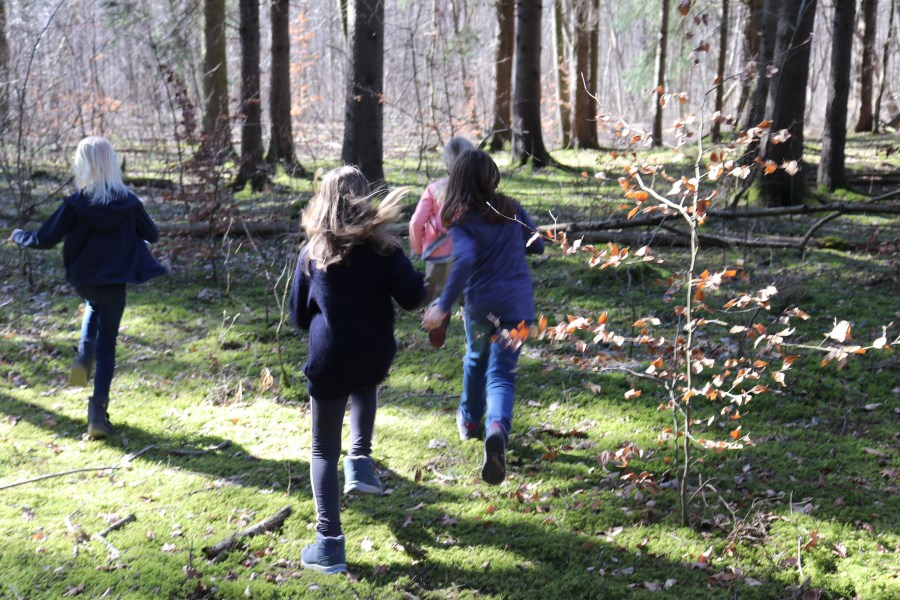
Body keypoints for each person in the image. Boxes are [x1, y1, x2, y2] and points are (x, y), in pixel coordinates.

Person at [289, 166, 426, 574]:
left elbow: (298, 316)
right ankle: (361, 461)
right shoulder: (385, 250)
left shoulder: (311, 253)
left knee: (321, 449)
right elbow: (413, 297)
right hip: (373, 353)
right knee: (366, 381)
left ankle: (329, 544)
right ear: (364, 200)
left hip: (329, 357)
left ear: (323, 201)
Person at [8, 136, 167, 439]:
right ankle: (97, 414)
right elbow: (152, 233)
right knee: (107, 346)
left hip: (86, 280)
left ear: (83, 165)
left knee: (92, 307)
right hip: (114, 282)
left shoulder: (75, 204)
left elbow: (45, 238)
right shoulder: (129, 203)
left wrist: (20, 236)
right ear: (112, 163)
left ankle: (82, 359)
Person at [422, 150, 544, 485]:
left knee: (476, 360)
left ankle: (472, 420)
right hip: (518, 310)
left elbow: (464, 261)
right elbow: (539, 245)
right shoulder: (512, 209)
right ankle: (496, 428)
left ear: (458, 182)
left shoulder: (461, 221)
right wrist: (518, 242)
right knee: (502, 373)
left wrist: (443, 306)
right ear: (493, 178)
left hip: (481, 308)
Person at [408, 137, 474, 347]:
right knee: (470, 297)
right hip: (469, 256)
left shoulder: (434, 189)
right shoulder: (477, 192)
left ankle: (438, 320)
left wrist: (418, 247)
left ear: (446, 163)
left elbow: (416, 222)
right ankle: (473, 336)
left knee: (436, 292)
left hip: (438, 254)